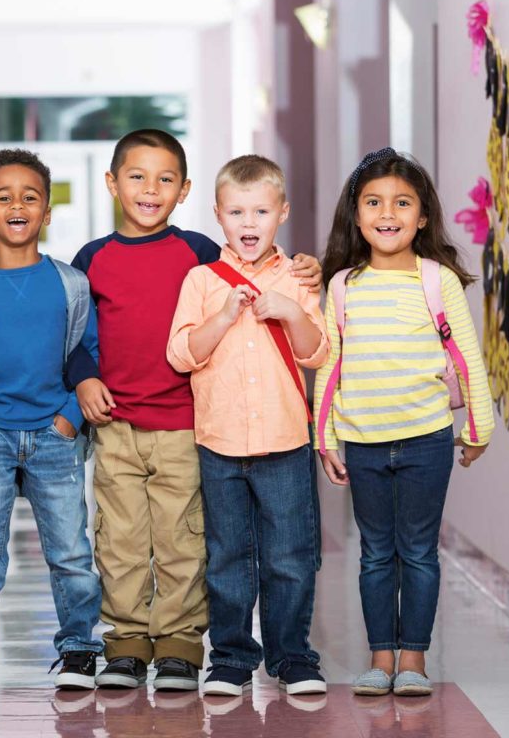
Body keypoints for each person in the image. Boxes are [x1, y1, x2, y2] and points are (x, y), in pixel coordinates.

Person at [69, 130, 322, 690]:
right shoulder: (92, 259)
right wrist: (83, 380)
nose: (150, 189)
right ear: (112, 183)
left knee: (185, 539)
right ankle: (128, 641)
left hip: (188, 424)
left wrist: (307, 269)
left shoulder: (203, 254)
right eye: (136, 176)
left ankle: (182, 643)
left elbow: (256, 265)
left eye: (165, 179)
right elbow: (72, 337)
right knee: (121, 539)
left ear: (183, 192)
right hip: (117, 425)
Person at [314, 148, 493, 697]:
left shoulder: (436, 280)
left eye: (401, 202)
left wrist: (478, 429)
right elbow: (331, 364)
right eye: (373, 202)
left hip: (426, 441)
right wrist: (326, 439)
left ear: (421, 217)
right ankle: (380, 657)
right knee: (375, 554)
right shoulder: (343, 285)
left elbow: (469, 355)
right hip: (364, 442)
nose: (386, 213)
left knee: (416, 551)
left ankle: (413, 658)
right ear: (356, 213)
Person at [0, 149, 103, 694]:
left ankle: (80, 647)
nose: (16, 205)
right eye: (2, 197)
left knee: (72, 553)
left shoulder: (71, 284)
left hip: (55, 437)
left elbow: (89, 354)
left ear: (47, 212)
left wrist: (71, 419)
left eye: (29, 197)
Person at [167, 154, 329, 697]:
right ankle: (232, 658)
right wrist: (222, 316)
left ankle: (291, 657)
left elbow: (317, 352)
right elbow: (181, 354)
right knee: (228, 556)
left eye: (261, 210)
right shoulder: (201, 280)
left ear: (282, 212)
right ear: (218, 215)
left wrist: (290, 309)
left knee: (290, 557)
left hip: (285, 441)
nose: (249, 223)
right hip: (220, 443)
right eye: (237, 212)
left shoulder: (299, 278)